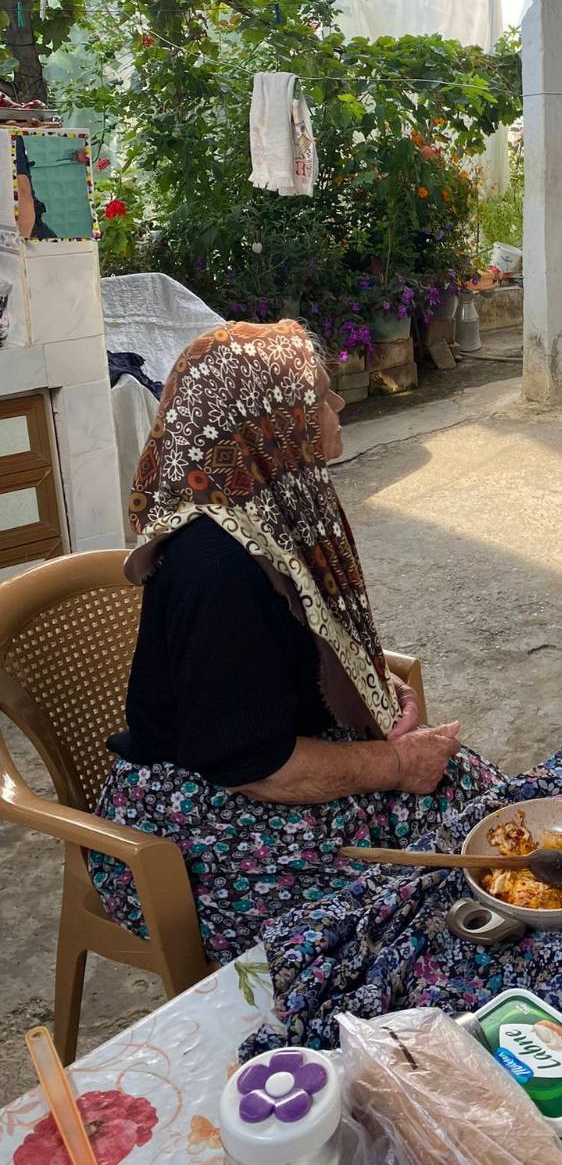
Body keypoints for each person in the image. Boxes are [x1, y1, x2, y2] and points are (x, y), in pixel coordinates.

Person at [91, 320, 501, 961]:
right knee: (430, 905)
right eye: (318, 396)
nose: (338, 405)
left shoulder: (274, 508)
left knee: (486, 814)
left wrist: (369, 681)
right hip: (207, 820)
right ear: (265, 424)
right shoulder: (218, 568)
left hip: (270, 760)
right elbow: (250, 763)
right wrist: (396, 765)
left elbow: (296, 650)